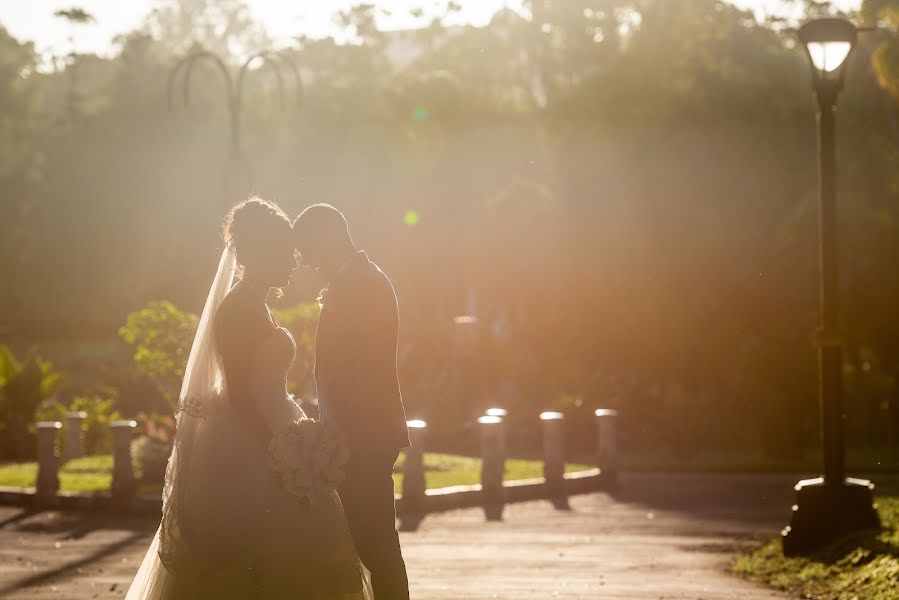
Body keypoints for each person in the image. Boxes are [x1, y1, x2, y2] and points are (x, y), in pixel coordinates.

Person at [125, 198, 371, 600]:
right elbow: (240, 394)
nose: (294, 263)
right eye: (285, 253)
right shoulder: (238, 309)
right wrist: (280, 448)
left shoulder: (256, 305)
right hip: (248, 442)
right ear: (261, 253)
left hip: (275, 425)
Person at [294, 204, 411, 600]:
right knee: (368, 543)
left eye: (309, 252)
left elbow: (362, 369)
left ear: (329, 239)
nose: (308, 264)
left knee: (376, 544)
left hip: (366, 434)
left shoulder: (363, 284)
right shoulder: (355, 280)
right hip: (356, 431)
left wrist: (340, 432)